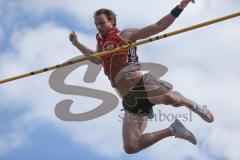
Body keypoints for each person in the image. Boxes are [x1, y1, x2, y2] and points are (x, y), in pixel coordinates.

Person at [69, 0, 214, 154]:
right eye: (96, 24)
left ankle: (195, 106)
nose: (99, 27)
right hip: (130, 100)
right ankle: (173, 130)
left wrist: (181, 6)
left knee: (169, 99)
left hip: (140, 83)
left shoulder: (124, 34)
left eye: (102, 23)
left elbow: (159, 26)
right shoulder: (101, 45)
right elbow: (97, 59)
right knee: (131, 146)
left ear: (112, 21)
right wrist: (77, 44)